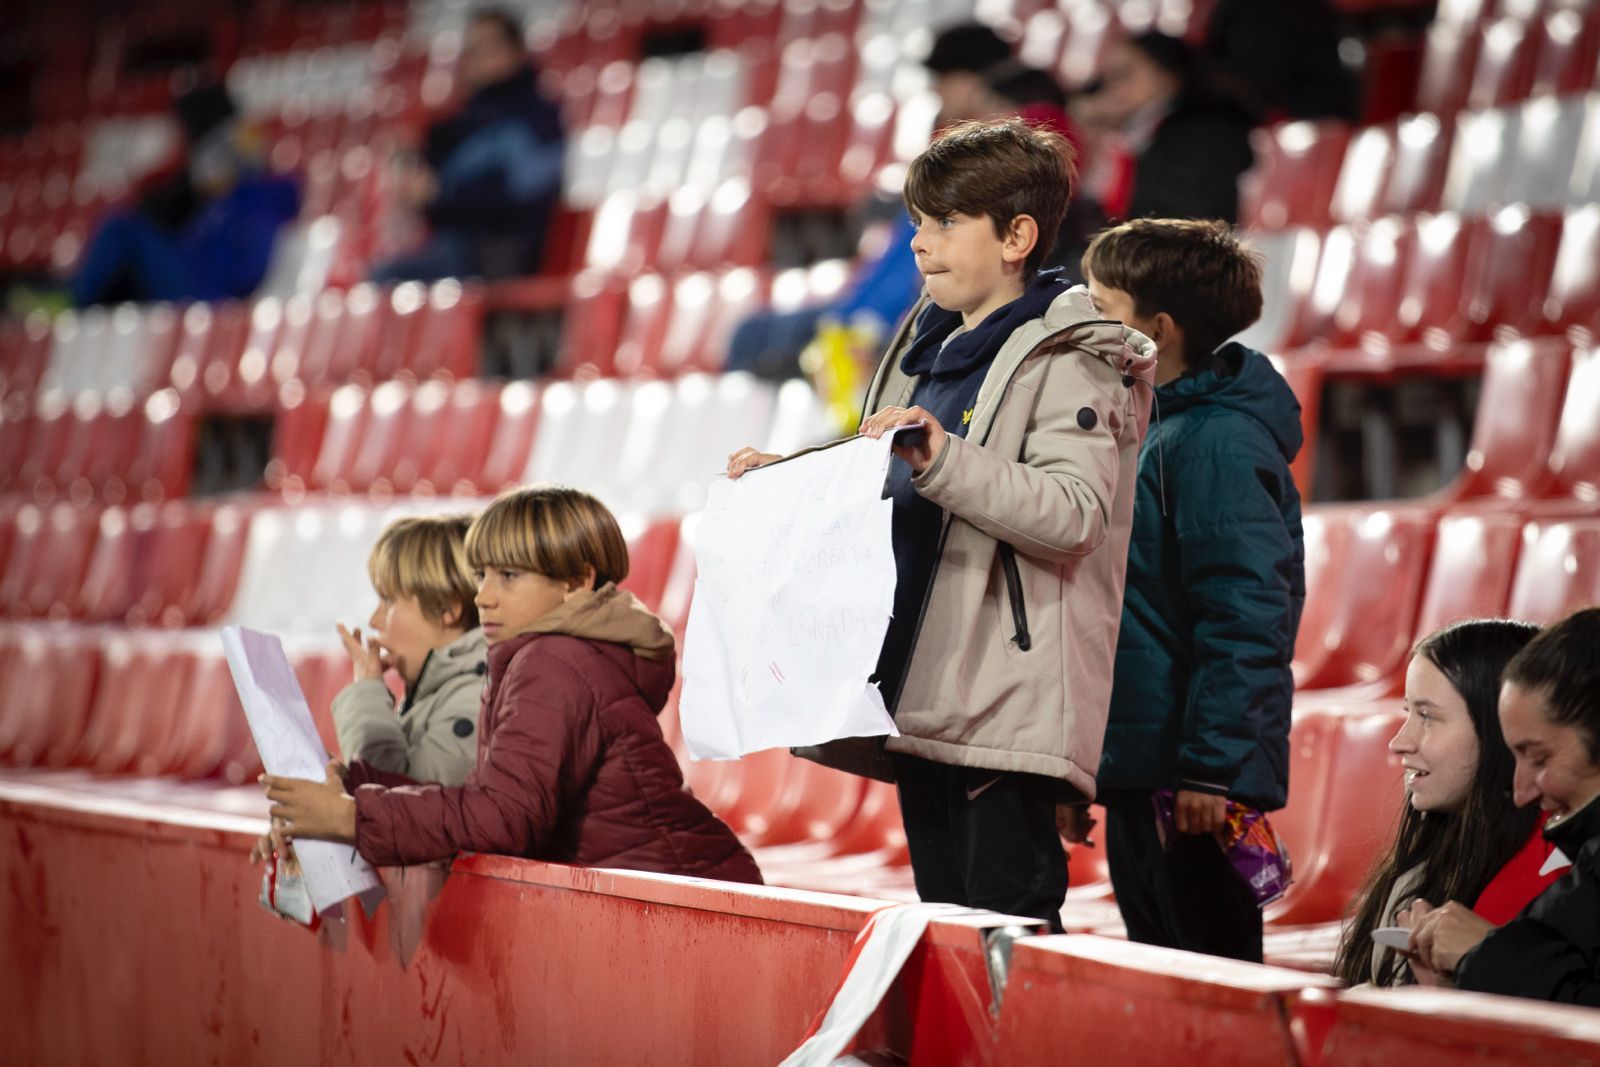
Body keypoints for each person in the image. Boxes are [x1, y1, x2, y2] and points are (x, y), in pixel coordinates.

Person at [728, 118, 1157, 929]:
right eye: (918, 222)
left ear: (1018, 236)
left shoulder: (1074, 354)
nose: (920, 245)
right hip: (921, 694)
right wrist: (785, 476)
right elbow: (885, 464)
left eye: (947, 222)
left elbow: (1074, 514)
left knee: (1009, 937)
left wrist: (943, 458)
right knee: (954, 929)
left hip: (1003, 701)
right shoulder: (925, 341)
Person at [258, 486, 761, 885]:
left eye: (508, 576)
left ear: (576, 582)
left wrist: (352, 817)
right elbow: (482, 794)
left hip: (684, 901)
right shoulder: (546, 653)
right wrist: (344, 791)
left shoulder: (557, 660)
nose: (483, 597)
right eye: (481, 575)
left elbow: (506, 817)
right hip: (675, 896)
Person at [1084, 218, 1302, 963]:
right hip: (1145, 767)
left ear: (1158, 330)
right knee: (1163, 976)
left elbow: (1245, 614)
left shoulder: (1216, 440)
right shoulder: (1154, 425)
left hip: (1193, 785)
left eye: (1102, 302)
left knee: (1212, 982)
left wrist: (1213, 767)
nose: (1085, 316)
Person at [1333, 619, 1561, 986]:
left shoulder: (1560, 873)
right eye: (1408, 712)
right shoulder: (1420, 870)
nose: (1399, 742)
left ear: (1502, 730)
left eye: (1427, 716)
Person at [1407, 608, 1600, 1003]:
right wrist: (1462, 984)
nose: (1521, 791)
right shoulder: (1589, 857)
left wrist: (1487, 952)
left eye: (1540, 759)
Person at [369, 8, 564, 282]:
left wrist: (444, 193)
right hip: (454, 249)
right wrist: (417, 156)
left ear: (516, 50)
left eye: (489, 47)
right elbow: (430, 195)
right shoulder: (459, 121)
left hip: (502, 252)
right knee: (380, 277)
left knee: (386, 279)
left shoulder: (537, 118)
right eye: (471, 50)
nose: (477, 59)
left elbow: (524, 194)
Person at [69, 79, 300, 306]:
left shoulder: (261, 197)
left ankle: (73, 304)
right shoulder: (217, 201)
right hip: (197, 280)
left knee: (118, 229)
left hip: (206, 292)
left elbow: (247, 268)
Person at [331, 514, 486, 786]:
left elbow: (397, 803)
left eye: (388, 601)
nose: (374, 621)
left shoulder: (476, 697)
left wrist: (367, 691)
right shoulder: (441, 690)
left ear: (446, 609)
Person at [1084, 32, 1254, 224]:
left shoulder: (1198, 135)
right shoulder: (1138, 135)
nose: (1112, 87)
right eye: (1108, 78)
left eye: (1124, 74)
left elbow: (1179, 217)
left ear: (1167, 77)